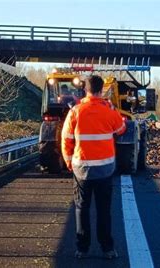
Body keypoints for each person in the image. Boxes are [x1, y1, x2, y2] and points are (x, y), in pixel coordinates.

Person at [61, 75, 126, 259]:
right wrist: (113, 111)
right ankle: (107, 249)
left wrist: (68, 162)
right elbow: (121, 129)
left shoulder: (75, 111)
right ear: (101, 90)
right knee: (104, 210)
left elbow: (66, 139)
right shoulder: (109, 111)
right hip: (105, 170)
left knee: (82, 208)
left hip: (81, 169)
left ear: (85, 90)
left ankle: (82, 248)